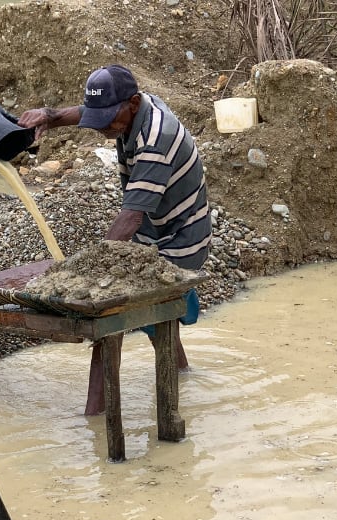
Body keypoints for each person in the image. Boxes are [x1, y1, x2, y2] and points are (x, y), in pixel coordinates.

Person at [18, 64, 212, 415]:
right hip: (153, 229)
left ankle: (94, 416)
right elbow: (87, 112)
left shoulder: (157, 140)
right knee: (155, 315)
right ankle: (183, 374)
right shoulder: (135, 108)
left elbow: (130, 217)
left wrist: (87, 273)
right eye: (100, 116)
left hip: (182, 239)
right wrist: (50, 116)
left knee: (109, 317)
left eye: (109, 118)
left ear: (133, 104)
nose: (104, 126)